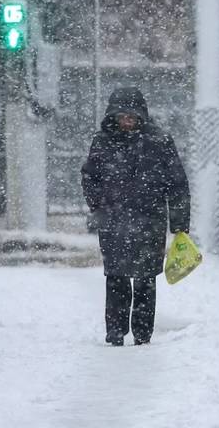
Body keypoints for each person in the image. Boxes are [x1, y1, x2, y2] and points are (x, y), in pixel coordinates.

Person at [81, 87, 190, 346]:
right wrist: (98, 204)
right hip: (113, 220)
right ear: (113, 117)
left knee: (145, 279)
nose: (127, 121)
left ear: (141, 115)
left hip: (149, 220)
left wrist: (179, 223)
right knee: (116, 277)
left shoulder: (160, 141)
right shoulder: (102, 141)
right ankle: (115, 332)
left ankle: (142, 334)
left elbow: (177, 184)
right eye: (122, 116)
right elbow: (89, 176)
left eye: (132, 116)